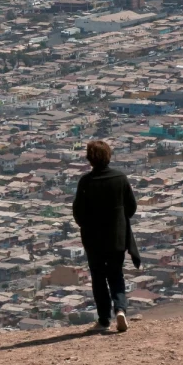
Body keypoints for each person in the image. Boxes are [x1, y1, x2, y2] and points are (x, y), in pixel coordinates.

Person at [72, 140, 138, 333]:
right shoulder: (120, 178)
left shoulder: (86, 182)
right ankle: (120, 310)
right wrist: (118, 219)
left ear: (90, 159)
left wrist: (87, 225)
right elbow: (131, 207)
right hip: (116, 237)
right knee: (116, 274)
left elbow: (78, 213)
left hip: (93, 239)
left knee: (99, 278)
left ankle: (103, 319)